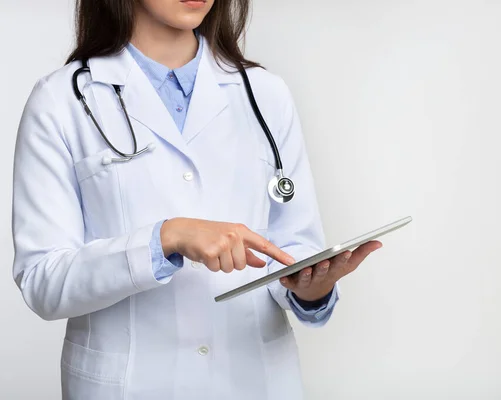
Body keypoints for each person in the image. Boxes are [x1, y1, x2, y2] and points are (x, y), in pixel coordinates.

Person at [11, 0, 382, 399]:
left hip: (255, 380)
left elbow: (294, 245)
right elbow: (42, 281)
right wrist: (164, 239)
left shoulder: (265, 94)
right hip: (131, 386)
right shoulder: (61, 100)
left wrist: (310, 288)